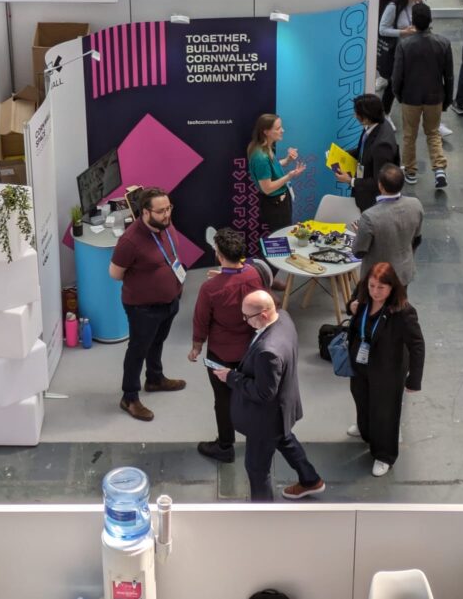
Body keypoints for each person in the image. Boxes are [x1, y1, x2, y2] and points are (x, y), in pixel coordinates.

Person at [212, 290, 325, 501]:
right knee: (285, 439)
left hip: (264, 420)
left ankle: (263, 513)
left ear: (263, 315)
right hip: (282, 409)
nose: (245, 321)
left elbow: (263, 393)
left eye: (247, 317)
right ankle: (310, 480)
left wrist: (231, 377)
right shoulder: (283, 318)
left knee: (256, 469)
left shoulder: (268, 352)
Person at [108, 187, 187, 422]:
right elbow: (115, 273)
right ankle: (129, 397)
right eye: (161, 211)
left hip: (170, 300)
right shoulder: (130, 241)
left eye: (169, 208)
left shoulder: (166, 226)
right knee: (138, 350)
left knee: (157, 342)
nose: (167, 214)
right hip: (143, 307)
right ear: (145, 212)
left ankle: (154, 379)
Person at [189, 227, 263, 464]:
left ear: (219, 254)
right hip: (250, 352)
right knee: (250, 395)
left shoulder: (210, 289)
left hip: (220, 354)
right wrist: (223, 275)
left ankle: (225, 446)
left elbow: (201, 320)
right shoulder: (254, 275)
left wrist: (196, 347)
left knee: (222, 399)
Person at [344, 262, 424, 477]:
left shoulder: (403, 312)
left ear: (392, 288)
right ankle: (365, 428)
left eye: (381, 288)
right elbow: (350, 306)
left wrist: (414, 379)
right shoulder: (363, 294)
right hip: (361, 363)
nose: (375, 292)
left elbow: (417, 345)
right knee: (360, 396)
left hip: (388, 369)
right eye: (372, 286)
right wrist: (350, 305)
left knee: (385, 412)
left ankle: (384, 455)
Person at [391, 3, 453, 188]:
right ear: (430, 21)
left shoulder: (404, 45)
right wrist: (447, 98)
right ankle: (439, 168)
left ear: (414, 22)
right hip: (435, 96)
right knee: (433, 133)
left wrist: (398, 94)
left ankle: (410, 171)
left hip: (410, 97)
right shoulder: (443, 43)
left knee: (409, 135)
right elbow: (448, 75)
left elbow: (397, 75)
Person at [353, 164, 424, 288]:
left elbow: (359, 252)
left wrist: (360, 233)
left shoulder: (370, 217)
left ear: (380, 186)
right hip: (403, 274)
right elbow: (417, 240)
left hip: (377, 279)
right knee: (399, 306)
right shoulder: (416, 205)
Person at [332, 94, 400, 213]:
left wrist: (350, 181)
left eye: (357, 113)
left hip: (371, 203)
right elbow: (363, 150)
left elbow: (379, 181)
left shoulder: (382, 146)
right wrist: (341, 154)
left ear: (367, 117)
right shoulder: (375, 125)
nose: (355, 116)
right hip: (362, 192)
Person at [247, 114, 305, 234]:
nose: (282, 130)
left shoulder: (264, 147)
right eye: (278, 128)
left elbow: (272, 167)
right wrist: (289, 176)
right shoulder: (261, 157)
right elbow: (267, 188)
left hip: (279, 201)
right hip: (276, 205)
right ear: (266, 132)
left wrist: (287, 159)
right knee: (281, 239)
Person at [378, 0, 425, 107]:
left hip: (417, 50)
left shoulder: (421, 2)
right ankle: (385, 113)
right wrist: (402, 32)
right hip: (399, 53)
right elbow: (382, 29)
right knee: (394, 83)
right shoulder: (393, 7)